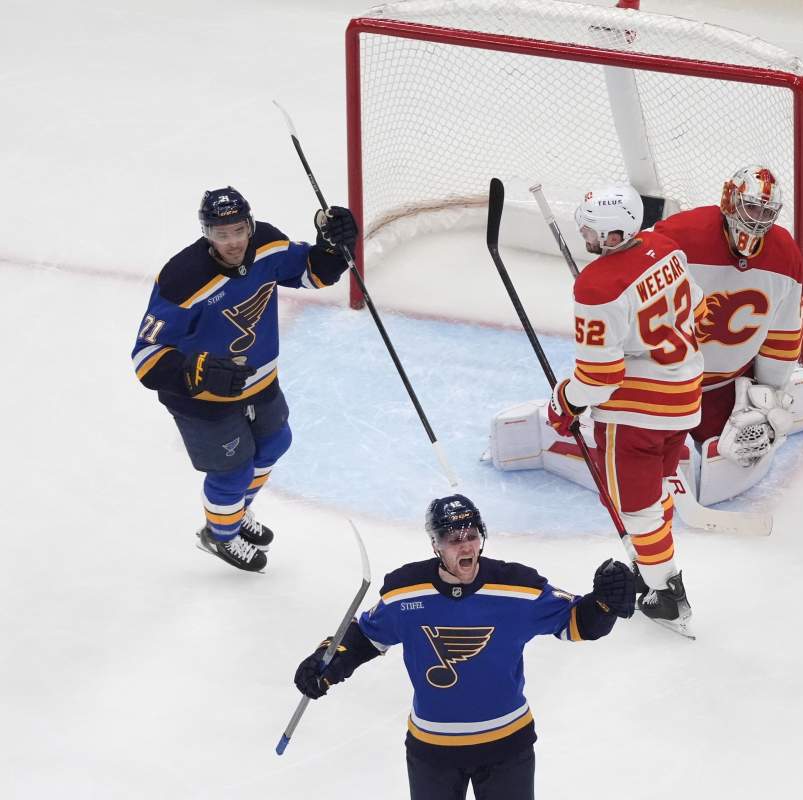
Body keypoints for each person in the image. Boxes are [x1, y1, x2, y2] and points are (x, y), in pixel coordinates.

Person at [293, 494, 636, 800]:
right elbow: (364, 636)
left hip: (507, 748)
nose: (466, 546)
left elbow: (578, 623)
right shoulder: (404, 592)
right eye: (453, 539)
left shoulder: (518, 588)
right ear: (435, 545)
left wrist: (604, 605)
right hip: (432, 751)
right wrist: (327, 661)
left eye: (472, 536)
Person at [130, 187, 359, 572]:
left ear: (250, 225)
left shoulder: (266, 244)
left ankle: (232, 512)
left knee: (276, 443)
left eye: (238, 229)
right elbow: (146, 358)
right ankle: (220, 535)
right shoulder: (182, 280)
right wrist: (197, 371)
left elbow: (310, 273)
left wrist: (333, 247)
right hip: (199, 400)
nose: (233, 242)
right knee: (232, 470)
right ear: (206, 233)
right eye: (221, 234)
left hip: (260, 382)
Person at [544, 184, 705, 632]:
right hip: (684, 397)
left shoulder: (597, 286)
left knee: (635, 508)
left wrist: (563, 403)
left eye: (592, 231)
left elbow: (599, 379)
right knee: (655, 493)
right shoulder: (665, 247)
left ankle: (666, 594)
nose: (586, 236)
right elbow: (698, 306)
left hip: (636, 416)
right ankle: (657, 565)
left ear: (615, 235)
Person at [652, 164, 803, 505]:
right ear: (729, 199)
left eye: (767, 211)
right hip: (660, 381)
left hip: (723, 385)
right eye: (751, 207)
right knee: (642, 447)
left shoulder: (784, 253)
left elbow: (782, 335)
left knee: (735, 443)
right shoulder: (680, 234)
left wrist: (769, 390)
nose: (757, 219)